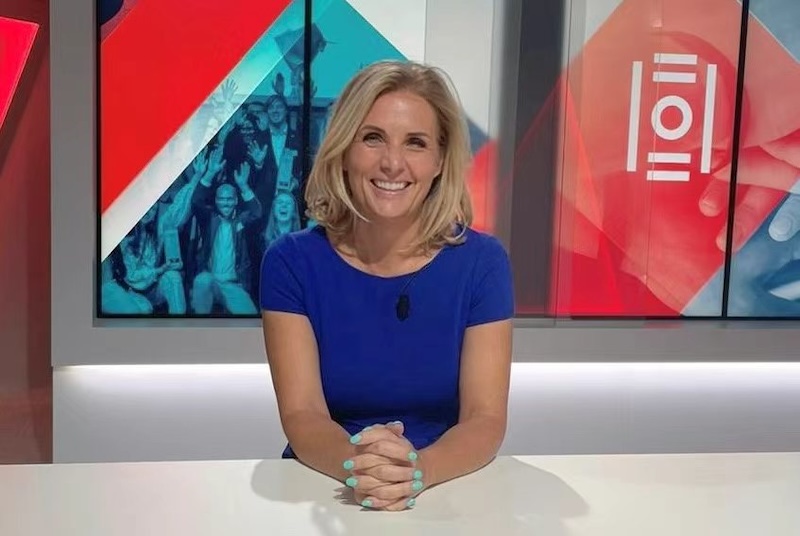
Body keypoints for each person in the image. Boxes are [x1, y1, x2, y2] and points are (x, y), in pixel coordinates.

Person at [259, 60, 514, 512]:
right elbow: (303, 414)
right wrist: (361, 468)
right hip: (326, 488)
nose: (393, 163)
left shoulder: (482, 263)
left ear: (440, 160)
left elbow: (485, 419)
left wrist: (416, 471)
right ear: (344, 149)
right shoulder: (291, 262)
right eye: (372, 137)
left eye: (415, 142)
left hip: (444, 488)